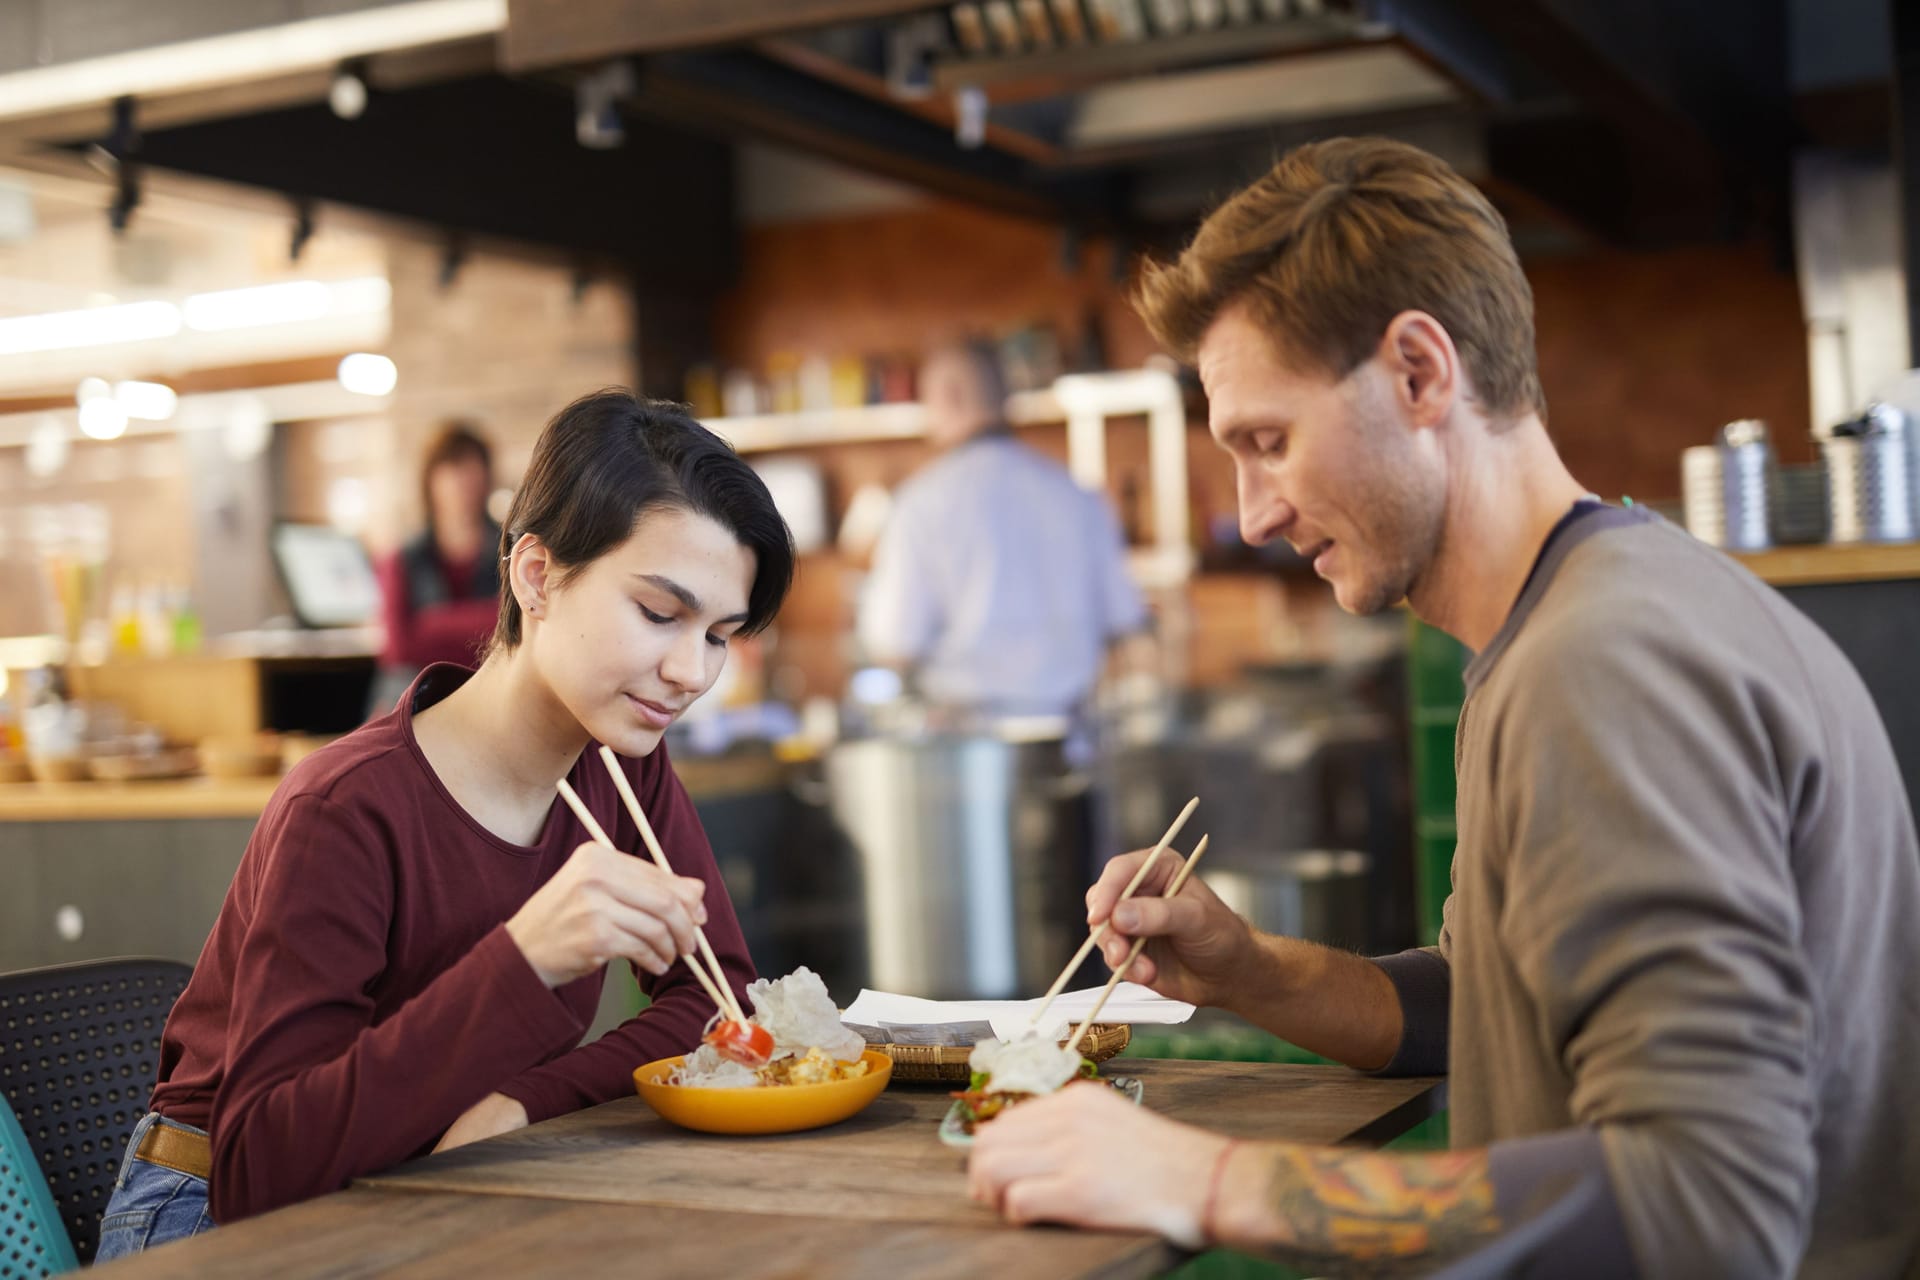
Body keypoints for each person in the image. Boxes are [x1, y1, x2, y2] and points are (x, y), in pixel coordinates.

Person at [965, 137, 1920, 1278]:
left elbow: (1705, 1198)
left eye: (1268, 442)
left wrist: (1202, 1177)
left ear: (1420, 372)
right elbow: (1476, 1001)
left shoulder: (1603, 666)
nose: (1254, 512)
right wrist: (1244, 969)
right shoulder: (1584, 617)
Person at [96, 390, 795, 1257]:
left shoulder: (623, 764)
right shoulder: (346, 806)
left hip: (435, 1175)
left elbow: (714, 1001)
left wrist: (523, 1102)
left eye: (720, 634)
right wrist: (525, 961)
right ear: (535, 575)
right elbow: (264, 1167)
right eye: (659, 614)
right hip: (211, 1215)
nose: (692, 671)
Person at [858, 340, 1147, 722]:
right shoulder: (1079, 497)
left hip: (968, 748)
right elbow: (1124, 621)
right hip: (1069, 735)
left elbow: (894, 643)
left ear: (951, 395)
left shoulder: (920, 504)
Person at [368, 422, 504, 716]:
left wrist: (429, 625)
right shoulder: (403, 558)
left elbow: (514, 629)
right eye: (451, 468)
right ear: (430, 480)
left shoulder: (514, 551)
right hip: (420, 688)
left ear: (487, 477)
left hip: (493, 685)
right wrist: (481, 619)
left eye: (470, 468)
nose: (460, 482)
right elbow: (397, 648)